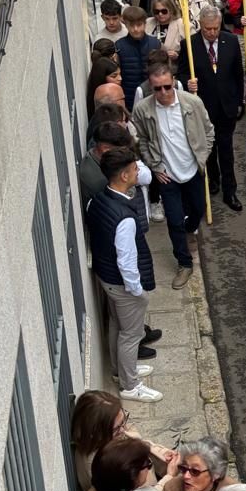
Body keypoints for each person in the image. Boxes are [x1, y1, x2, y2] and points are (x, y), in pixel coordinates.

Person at [87, 147, 162, 403]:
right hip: (122, 283)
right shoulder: (125, 218)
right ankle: (130, 385)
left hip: (106, 276)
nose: (137, 171)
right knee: (131, 334)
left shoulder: (98, 199)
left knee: (117, 325)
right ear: (123, 176)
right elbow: (127, 260)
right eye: (133, 169)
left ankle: (121, 372)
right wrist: (137, 290)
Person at [133, 65, 215, 288]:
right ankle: (184, 263)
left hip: (193, 170)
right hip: (167, 176)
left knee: (198, 209)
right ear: (151, 87)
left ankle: (188, 232)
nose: (163, 93)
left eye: (167, 87)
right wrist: (154, 166)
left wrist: (203, 156)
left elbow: (208, 131)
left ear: (174, 83)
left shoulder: (192, 103)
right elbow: (141, 139)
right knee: (174, 220)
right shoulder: (143, 109)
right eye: (157, 88)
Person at [178, 6, 244, 212]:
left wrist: (240, 101)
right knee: (208, 148)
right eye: (208, 29)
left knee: (226, 150)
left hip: (226, 107)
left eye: (215, 28)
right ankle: (212, 181)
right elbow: (180, 73)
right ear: (201, 26)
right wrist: (187, 83)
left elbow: (237, 74)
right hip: (202, 107)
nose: (212, 33)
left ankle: (230, 189)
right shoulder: (189, 45)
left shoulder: (230, 41)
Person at [116, 5, 161, 108]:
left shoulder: (155, 44)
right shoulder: (119, 46)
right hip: (129, 99)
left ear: (145, 24)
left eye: (139, 25)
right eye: (131, 25)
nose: (135, 29)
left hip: (152, 97)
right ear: (126, 25)